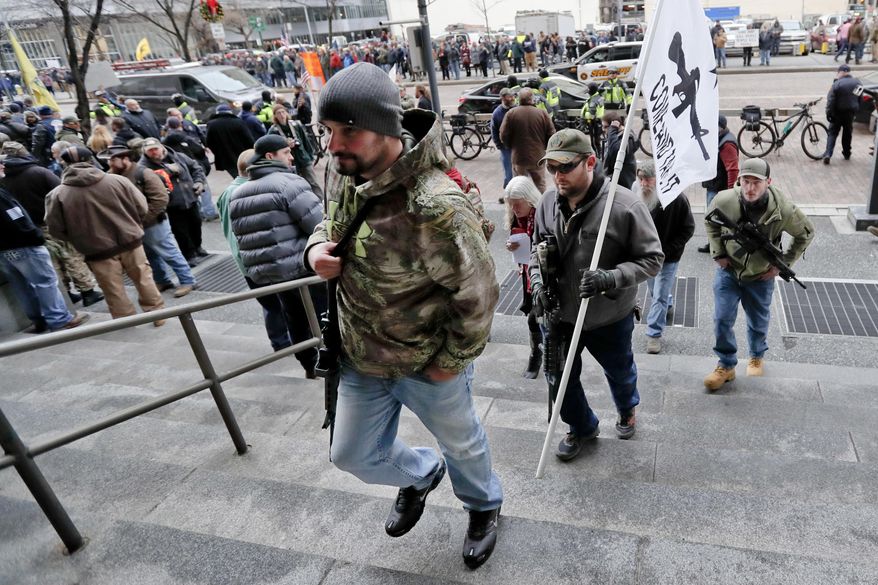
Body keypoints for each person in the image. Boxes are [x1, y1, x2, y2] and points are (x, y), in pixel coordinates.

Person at [305, 63, 502, 569]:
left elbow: (478, 294)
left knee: (463, 443)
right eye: (329, 130)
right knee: (349, 454)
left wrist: (450, 362)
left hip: (424, 362)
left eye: (349, 130)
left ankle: (484, 507)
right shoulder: (351, 172)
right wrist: (314, 251)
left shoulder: (436, 205)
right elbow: (332, 222)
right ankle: (419, 475)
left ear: (387, 129)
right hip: (360, 357)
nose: (334, 145)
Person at [529, 128, 663, 459]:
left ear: (590, 162)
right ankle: (582, 427)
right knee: (560, 378)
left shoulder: (625, 205)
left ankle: (627, 408)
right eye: (552, 168)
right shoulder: (547, 202)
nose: (557, 175)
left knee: (620, 372)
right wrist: (536, 285)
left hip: (609, 317)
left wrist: (612, 277)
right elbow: (536, 250)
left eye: (565, 167)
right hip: (560, 315)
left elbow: (652, 259)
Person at [703, 158, 814, 390]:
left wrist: (781, 263)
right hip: (729, 271)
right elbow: (710, 222)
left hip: (761, 275)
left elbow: (806, 233)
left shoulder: (782, 210)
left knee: (758, 321)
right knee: (721, 319)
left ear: (768, 182)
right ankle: (726, 364)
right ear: (739, 180)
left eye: (756, 182)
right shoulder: (724, 200)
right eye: (745, 181)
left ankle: (756, 355)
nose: (750, 188)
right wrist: (718, 252)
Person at [229, 134, 324, 377]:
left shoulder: (238, 192)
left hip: (271, 275)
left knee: (295, 320)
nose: (291, 157)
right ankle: (331, 363)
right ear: (270, 156)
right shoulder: (289, 183)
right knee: (323, 316)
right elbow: (318, 225)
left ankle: (309, 365)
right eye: (286, 153)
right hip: (302, 269)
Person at [44, 146, 166, 324]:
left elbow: (55, 229)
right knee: (144, 278)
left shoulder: (57, 195)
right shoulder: (117, 181)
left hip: (96, 249)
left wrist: (79, 239)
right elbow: (142, 207)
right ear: (90, 160)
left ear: (64, 164)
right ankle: (157, 314)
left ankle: (126, 321)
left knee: (112, 288)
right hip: (130, 240)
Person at [0, 141, 104, 307]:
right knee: (71, 256)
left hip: (30, 226)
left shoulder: (4, 179)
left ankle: (67, 293)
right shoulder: (38, 171)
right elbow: (61, 192)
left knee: (53, 262)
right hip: (52, 221)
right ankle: (88, 291)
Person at [217, 149, 293, 352]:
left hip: (246, 263)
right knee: (278, 305)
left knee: (271, 305)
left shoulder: (229, 190)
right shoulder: (245, 193)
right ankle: (283, 343)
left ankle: (281, 342)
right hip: (258, 262)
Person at [101, 144, 196, 298]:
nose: (109, 164)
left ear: (125, 158)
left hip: (153, 223)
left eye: (112, 160)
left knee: (169, 252)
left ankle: (187, 280)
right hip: (135, 225)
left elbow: (160, 199)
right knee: (150, 256)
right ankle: (162, 280)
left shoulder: (143, 173)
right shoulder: (112, 175)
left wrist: (144, 220)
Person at [0, 176, 89, 333]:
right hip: (23, 245)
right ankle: (59, 319)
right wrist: (35, 236)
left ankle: (39, 320)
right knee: (44, 281)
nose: (2, 166)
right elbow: (15, 218)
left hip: (6, 249)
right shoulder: (1, 195)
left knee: (22, 286)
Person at [635, 161, 694, 354]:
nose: (644, 183)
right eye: (641, 178)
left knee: (659, 295)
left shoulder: (676, 198)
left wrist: (669, 249)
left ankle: (654, 334)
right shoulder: (635, 190)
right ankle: (667, 302)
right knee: (654, 290)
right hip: (646, 254)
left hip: (668, 256)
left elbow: (688, 228)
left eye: (648, 179)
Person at [139, 138, 206, 266]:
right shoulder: (143, 167)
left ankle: (198, 247)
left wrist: (199, 181)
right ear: (145, 152)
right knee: (181, 231)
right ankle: (189, 254)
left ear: (162, 147)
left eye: (155, 149)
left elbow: (195, 167)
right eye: (150, 151)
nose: (154, 153)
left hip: (190, 197)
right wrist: (168, 171)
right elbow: (152, 179)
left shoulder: (178, 156)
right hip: (172, 205)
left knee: (196, 224)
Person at [503, 176, 544, 378]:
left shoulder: (542, 216)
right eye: (511, 206)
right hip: (526, 272)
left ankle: (537, 354)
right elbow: (514, 238)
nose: (515, 209)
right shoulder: (516, 216)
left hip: (542, 273)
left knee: (535, 318)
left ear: (529, 199)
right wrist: (511, 245)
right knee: (534, 316)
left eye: (518, 205)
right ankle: (538, 351)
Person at [499, 87, 555, 193]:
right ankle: (540, 207)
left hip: (519, 157)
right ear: (532, 99)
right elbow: (551, 134)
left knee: (519, 186)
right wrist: (544, 147)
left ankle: (524, 208)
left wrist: (510, 146)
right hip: (538, 157)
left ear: (519, 99)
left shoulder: (511, 114)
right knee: (540, 185)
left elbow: (503, 134)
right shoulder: (542, 113)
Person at [698, 114, 739, 252]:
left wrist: (730, 192)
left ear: (719, 128)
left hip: (719, 189)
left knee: (715, 219)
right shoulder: (719, 139)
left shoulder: (726, 144)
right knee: (713, 218)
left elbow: (732, 169)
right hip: (715, 186)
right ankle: (714, 245)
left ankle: (718, 247)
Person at [267, 104, 322, 197]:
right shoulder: (273, 130)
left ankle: (322, 201)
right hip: (288, 162)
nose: (281, 115)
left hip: (303, 158)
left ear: (286, 113)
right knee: (297, 185)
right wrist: (285, 144)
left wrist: (310, 156)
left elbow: (305, 140)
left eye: (283, 112)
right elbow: (271, 147)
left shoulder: (295, 124)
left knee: (313, 182)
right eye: (278, 113)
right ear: (275, 115)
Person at [822, 64, 862, 165]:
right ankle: (847, 153)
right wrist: (856, 110)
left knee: (832, 133)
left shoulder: (837, 84)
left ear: (841, 72)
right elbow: (859, 98)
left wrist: (829, 113)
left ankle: (828, 154)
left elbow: (831, 100)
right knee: (847, 134)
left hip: (837, 113)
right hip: (850, 114)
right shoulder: (857, 83)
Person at [205, 104, 256, 178]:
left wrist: (218, 151)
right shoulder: (238, 122)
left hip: (225, 157)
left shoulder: (211, 124)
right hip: (242, 155)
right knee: (248, 175)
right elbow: (249, 139)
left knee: (237, 176)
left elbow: (209, 142)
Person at [600, 111, 636, 189]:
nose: (603, 129)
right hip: (613, 181)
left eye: (606, 127)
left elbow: (615, 152)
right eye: (602, 126)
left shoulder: (627, 137)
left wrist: (612, 131)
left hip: (623, 183)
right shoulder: (614, 136)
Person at [491, 88, 516, 192]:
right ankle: (508, 192)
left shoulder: (516, 109)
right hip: (505, 147)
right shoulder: (497, 113)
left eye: (512, 96)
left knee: (521, 171)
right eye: (508, 96)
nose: (511, 98)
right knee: (508, 172)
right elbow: (494, 130)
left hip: (518, 146)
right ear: (502, 98)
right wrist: (498, 144)